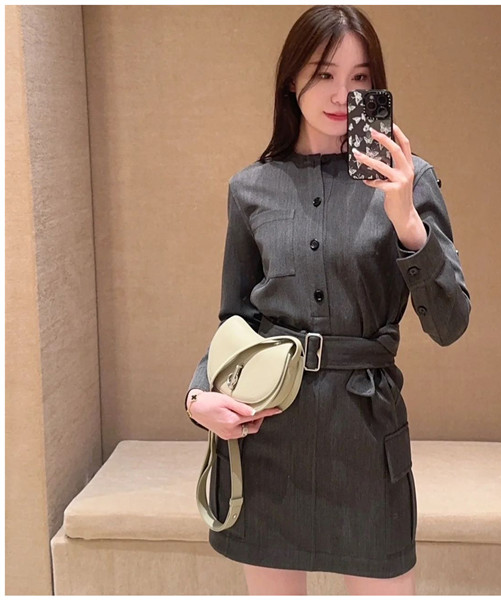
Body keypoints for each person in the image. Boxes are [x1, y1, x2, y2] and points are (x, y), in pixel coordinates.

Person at [184, 5, 471, 595]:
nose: (342, 94)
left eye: (360, 77)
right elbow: (237, 319)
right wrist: (197, 396)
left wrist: (407, 222)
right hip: (270, 435)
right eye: (323, 73)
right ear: (292, 80)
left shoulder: (410, 180)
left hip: (365, 436)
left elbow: (450, 323)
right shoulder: (251, 188)